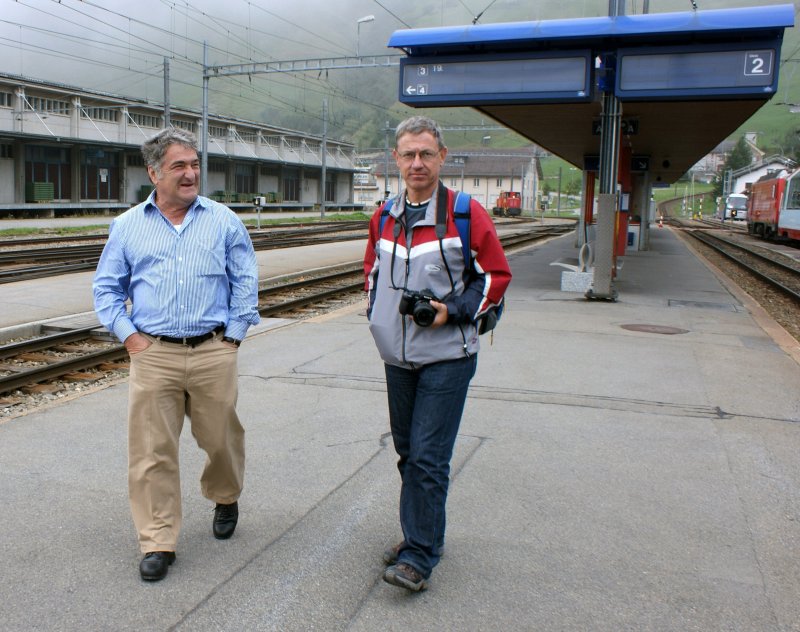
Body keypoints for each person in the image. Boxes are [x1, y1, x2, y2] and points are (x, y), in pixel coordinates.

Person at [93, 128, 260, 582]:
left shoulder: (224, 221)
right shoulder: (128, 226)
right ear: (154, 173)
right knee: (152, 452)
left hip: (212, 350)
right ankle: (157, 540)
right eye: (178, 166)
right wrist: (131, 338)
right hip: (154, 353)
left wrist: (233, 337)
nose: (190, 174)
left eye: (194, 164)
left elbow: (245, 280)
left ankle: (225, 495)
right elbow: (106, 289)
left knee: (221, 440)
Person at [363, 116, 512, 591]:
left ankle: (419, 555)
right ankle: (423, 534)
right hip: (397, 357)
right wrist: (376, 316)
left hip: (448, 355)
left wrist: (453, 312)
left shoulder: (466, 214)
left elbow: (495, 278)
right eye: (408, 154)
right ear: (396, 159)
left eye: (426, 153)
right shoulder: (384, 216)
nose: (417, 163)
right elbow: (372, 273)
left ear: (442, 157)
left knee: (428, 457)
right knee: (408, 453)